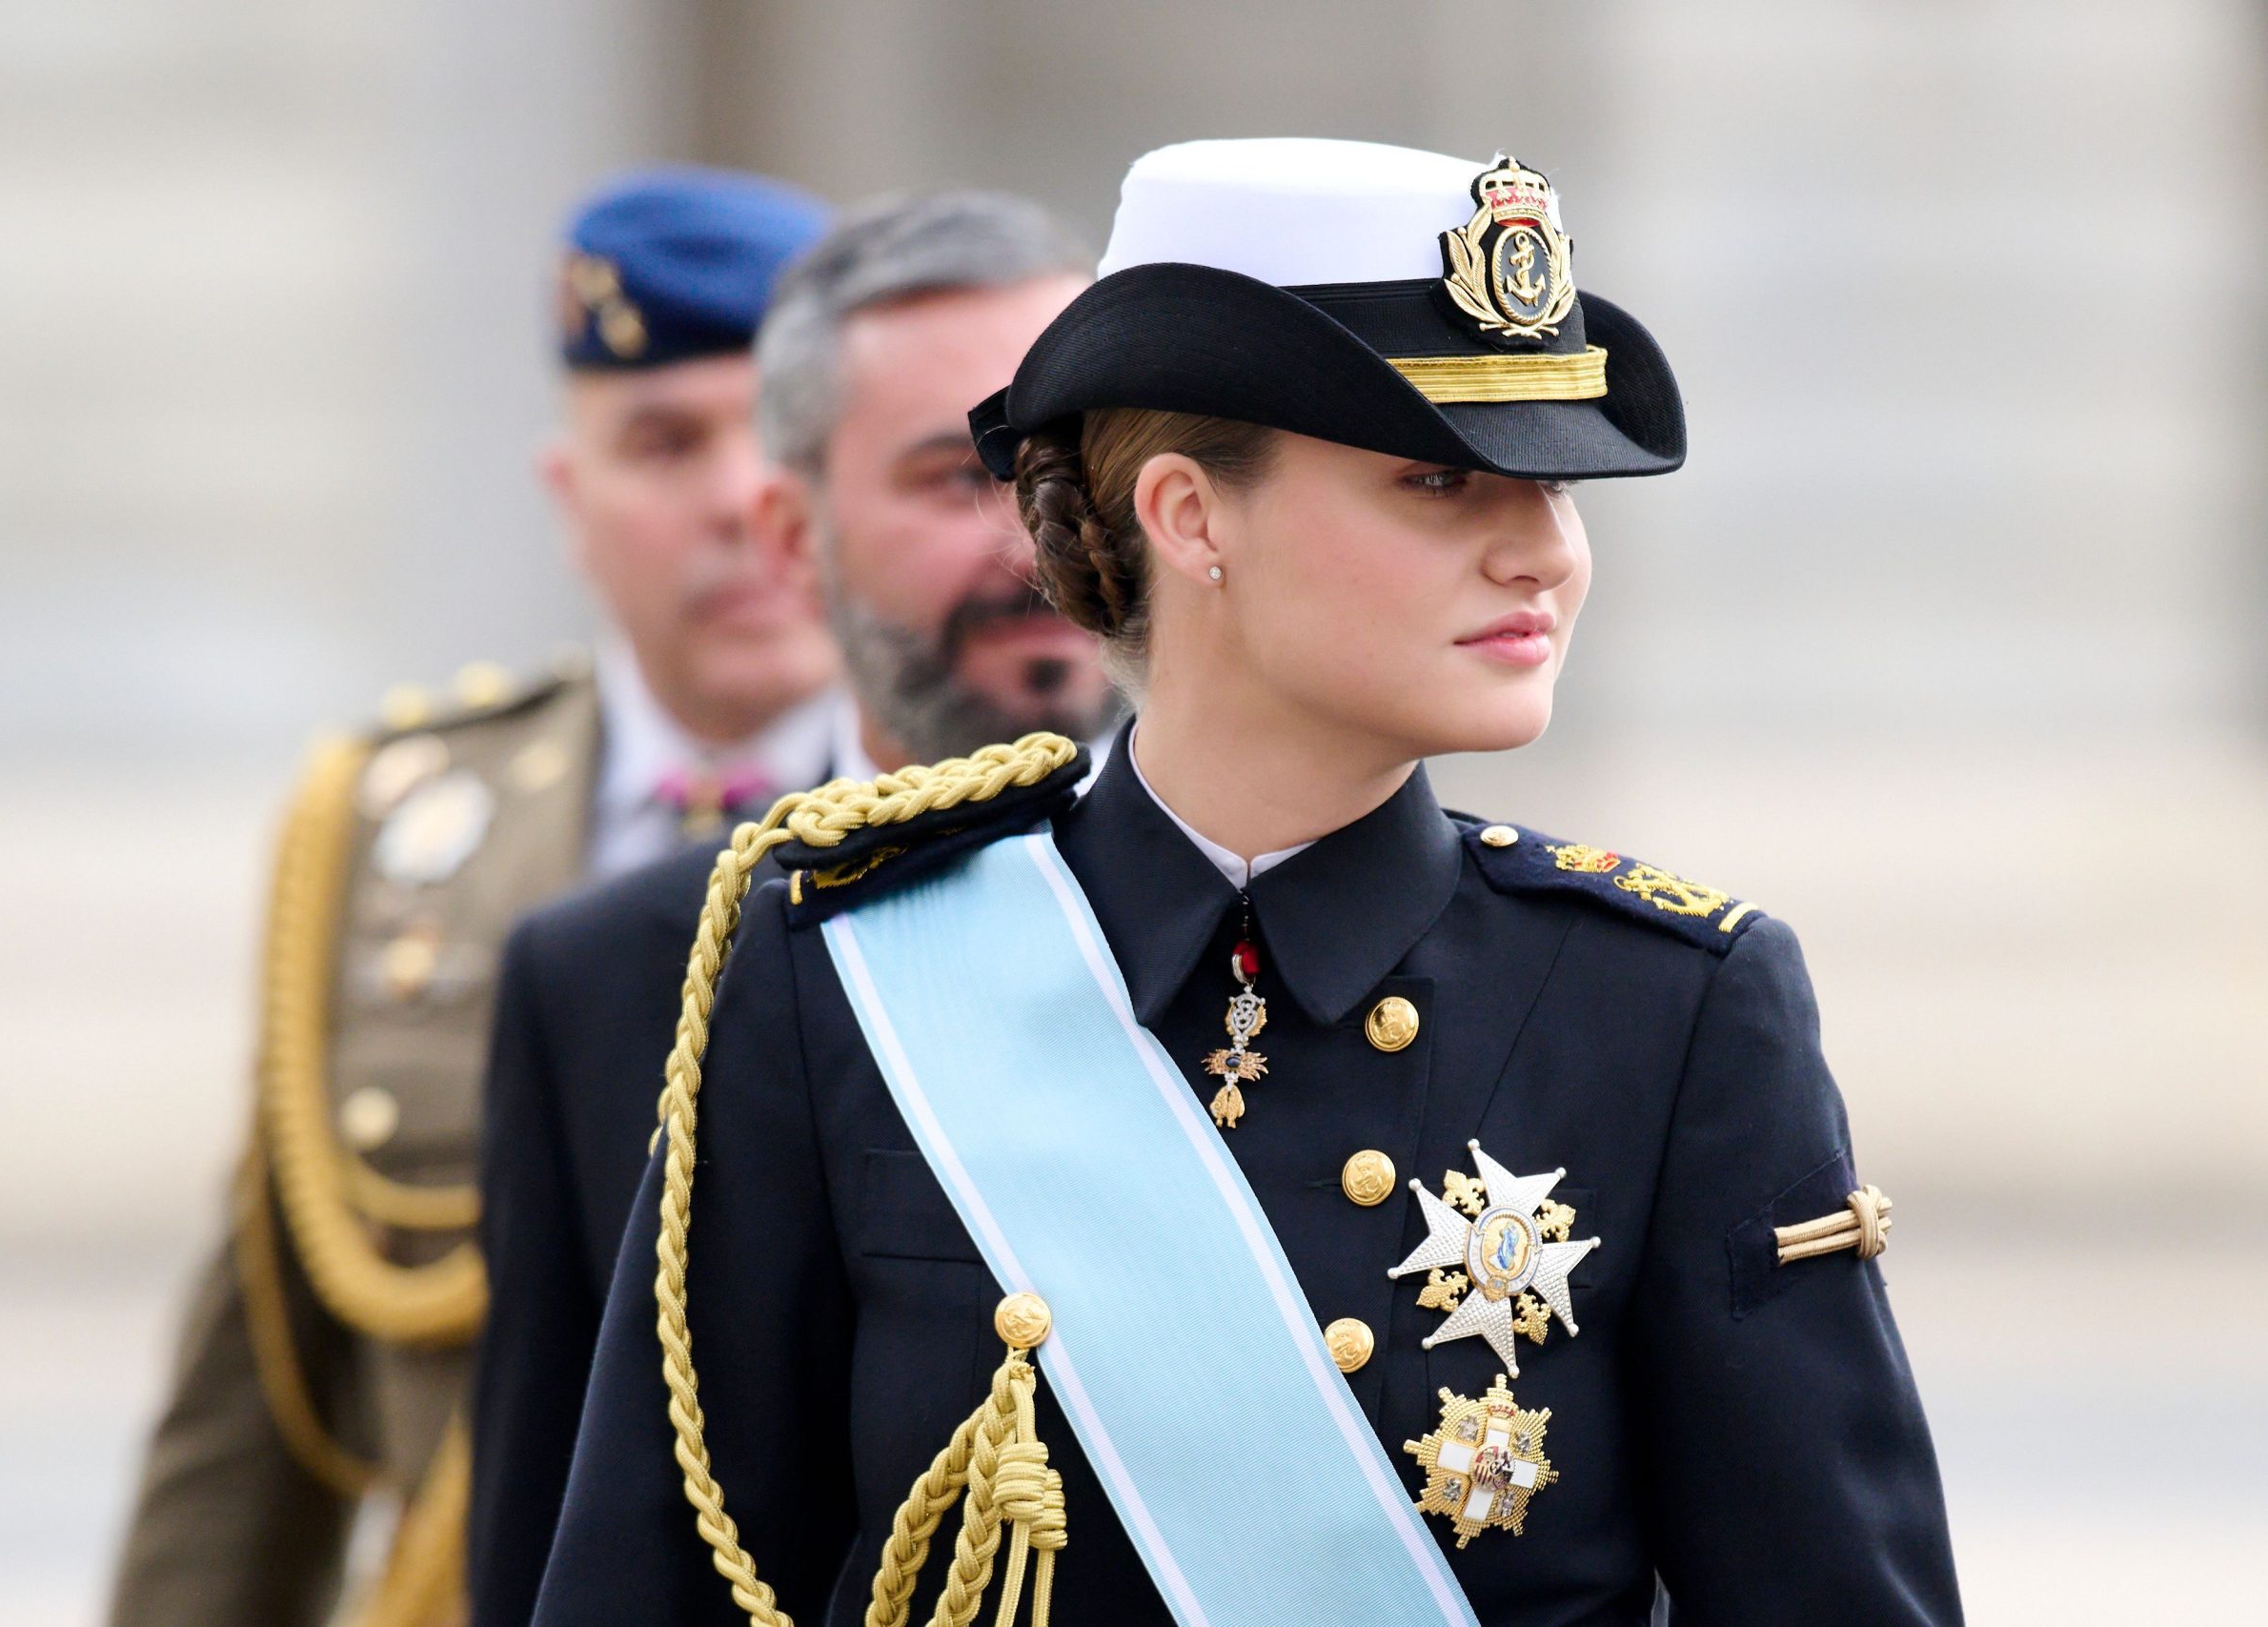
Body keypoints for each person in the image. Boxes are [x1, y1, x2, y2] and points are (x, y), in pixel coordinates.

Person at [530, 138, 1965, 1627]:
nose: (1542, 553)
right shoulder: (839, 967)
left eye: (1559, 487)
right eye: (1443, 480)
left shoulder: (1672, 1010)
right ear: (1189, 516)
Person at [106, 166, 837, 1627]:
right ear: (571, 498)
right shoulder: (392, 844)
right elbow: (251, 1406)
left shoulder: (1008, 822)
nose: (735, 502)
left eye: (777, 437)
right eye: (663, 441)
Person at [467, 190, 1113, 1627]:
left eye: (1082, 460)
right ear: (787, 527)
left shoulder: (1312, 911)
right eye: (964, 476)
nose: (1044, 533)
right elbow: (553, 1556)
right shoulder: (612, 981)